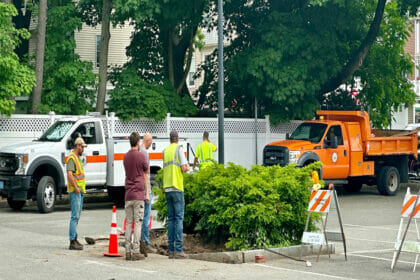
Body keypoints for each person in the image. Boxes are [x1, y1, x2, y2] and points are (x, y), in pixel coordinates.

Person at [162, 130, 190, 259]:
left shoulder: (165, 150)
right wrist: (188, 167)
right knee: (178, 218)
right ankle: (178, 250)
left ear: (170, 139)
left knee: (172, 219)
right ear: (177, 139)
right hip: (177, 187)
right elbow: (184, 167)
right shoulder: (179, 148)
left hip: (167, 187)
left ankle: (171, 250)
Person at [123, 132, 149, 261]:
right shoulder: (140, 156)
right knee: (138, 223)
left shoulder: (125, 157)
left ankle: (127, 251)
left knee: (128, 223)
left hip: (128, 193)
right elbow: (146, 169)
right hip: (138, 193)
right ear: (138, 142)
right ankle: (136, 250)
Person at [67, 137, 87, 250]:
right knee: (75, 216)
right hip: (75, 191)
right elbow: (70, 175)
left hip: (79, 191)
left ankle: (74, 238)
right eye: (82, 147)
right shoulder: (72, 158)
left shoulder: (77, 158)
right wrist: (76, 187)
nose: (83, 149)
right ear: (77, 146)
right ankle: (72, 241)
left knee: (76, 216)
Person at [139, 132, 156, 256]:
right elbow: (146, 174)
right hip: (144, 190)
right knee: (146, 217)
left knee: (140, 217)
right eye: (151, 142)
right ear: (148, 141)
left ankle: (141, 241)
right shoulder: (144, 152)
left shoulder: (138, 150)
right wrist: (147, 192)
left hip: (139, 189)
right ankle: (145, 242)